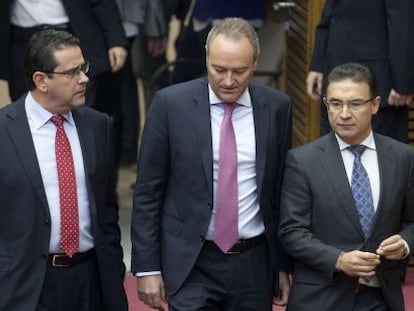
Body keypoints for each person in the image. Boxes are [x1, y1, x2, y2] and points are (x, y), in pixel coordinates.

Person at [131, 17, 291, 310]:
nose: (228, 81)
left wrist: (281, 264)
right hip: (192, 261)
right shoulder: (170, 104)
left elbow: (280, 191)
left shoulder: (277, 108)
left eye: (239, 71)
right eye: (219, 70)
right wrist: (147, 267)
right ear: (206, 60)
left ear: (255, 63)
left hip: (253, 262)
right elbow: (148, 192)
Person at [0, 29, 127, 311]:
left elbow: (107, 209)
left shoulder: (98, 125)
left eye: (83, 68)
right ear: (41, 80)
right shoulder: (4, 131)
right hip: (27, 285)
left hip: (92, 281)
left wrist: (113, 267)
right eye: (71, 72)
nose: (83, 79)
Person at [279, 62, 414, 311]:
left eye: (355, 104)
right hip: (321, 298)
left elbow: (411, 221)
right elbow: (292, 231)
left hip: (381, 297)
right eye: (335, 103)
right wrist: (338, 260)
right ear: (325, 105)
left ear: (374, 105)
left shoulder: (403, 157)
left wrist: (404, 243)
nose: (344, 114)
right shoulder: (303, 161)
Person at [306, 0, 414, 142]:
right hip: (334, 72)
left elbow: (403, 21)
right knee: (332, 155)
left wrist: (402, 82)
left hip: (377, 81)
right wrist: (318, 63)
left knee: (381, 159)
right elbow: (331, 11)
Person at [0, 0, 128, 107]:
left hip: (71, 33)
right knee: (26, 104)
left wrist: (115, 40)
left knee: (80, 104)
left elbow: (102, 2)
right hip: (21, 38)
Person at [115, 0, 169, 165]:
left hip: (137, 20)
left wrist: (154, 28)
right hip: (108, 21)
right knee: (123, 91)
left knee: (152, 86)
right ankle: (127, 154)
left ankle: (154, 160)